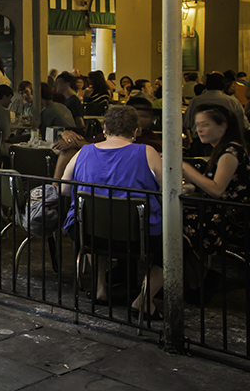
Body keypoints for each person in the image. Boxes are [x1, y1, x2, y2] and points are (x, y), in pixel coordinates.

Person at [60, 105, 163, 316]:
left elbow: (64, 188)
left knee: (96, 223)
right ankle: (144, 298)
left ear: (105, 129)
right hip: (138, 237)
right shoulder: (147, 152)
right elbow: (167, 187)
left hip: (89, 234)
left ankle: (100, 288)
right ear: (135, 131)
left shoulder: (84, 152)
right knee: (177, 242)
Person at [182, 106, 250, 254]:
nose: (198, 129)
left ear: (223, 126)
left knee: (171, 225)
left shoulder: (230, 153)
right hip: (219, 212)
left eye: (205, 124)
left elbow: (216, 190)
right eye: (197, 124)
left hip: (228, 220)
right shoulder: (221, 150)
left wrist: (185, 167)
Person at [184, 72, 248, 135]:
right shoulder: (232, 101)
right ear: (224, 86)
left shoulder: (195, 101)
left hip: (201, 140)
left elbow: (187, 123)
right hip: (226, 140)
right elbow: (244, 124)